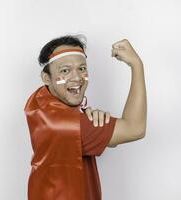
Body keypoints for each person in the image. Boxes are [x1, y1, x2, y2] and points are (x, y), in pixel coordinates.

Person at [24, 34, 147, 200]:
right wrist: (137, 65)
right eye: (65, 71)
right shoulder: (67, 125)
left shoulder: (41, 103)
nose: (77, 77)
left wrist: (87, 118)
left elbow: (109, 141)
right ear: (46, 78)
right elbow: (135, 128)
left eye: (82, 68)